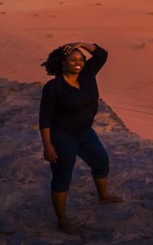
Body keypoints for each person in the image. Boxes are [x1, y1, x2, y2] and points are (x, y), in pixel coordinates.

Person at [39, 41, 123, 234]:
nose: (78, 63)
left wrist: (81, 44)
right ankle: (62, 220)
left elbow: (102, 54)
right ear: (62, 63)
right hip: (62, 137)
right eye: (73, 59)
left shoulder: (87, 75)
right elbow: (45, 118)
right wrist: (48, 145)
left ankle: (103, 196)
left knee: (101, 162)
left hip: (85, 132)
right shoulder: (54, 87)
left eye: (81, 59)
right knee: (62, 177)